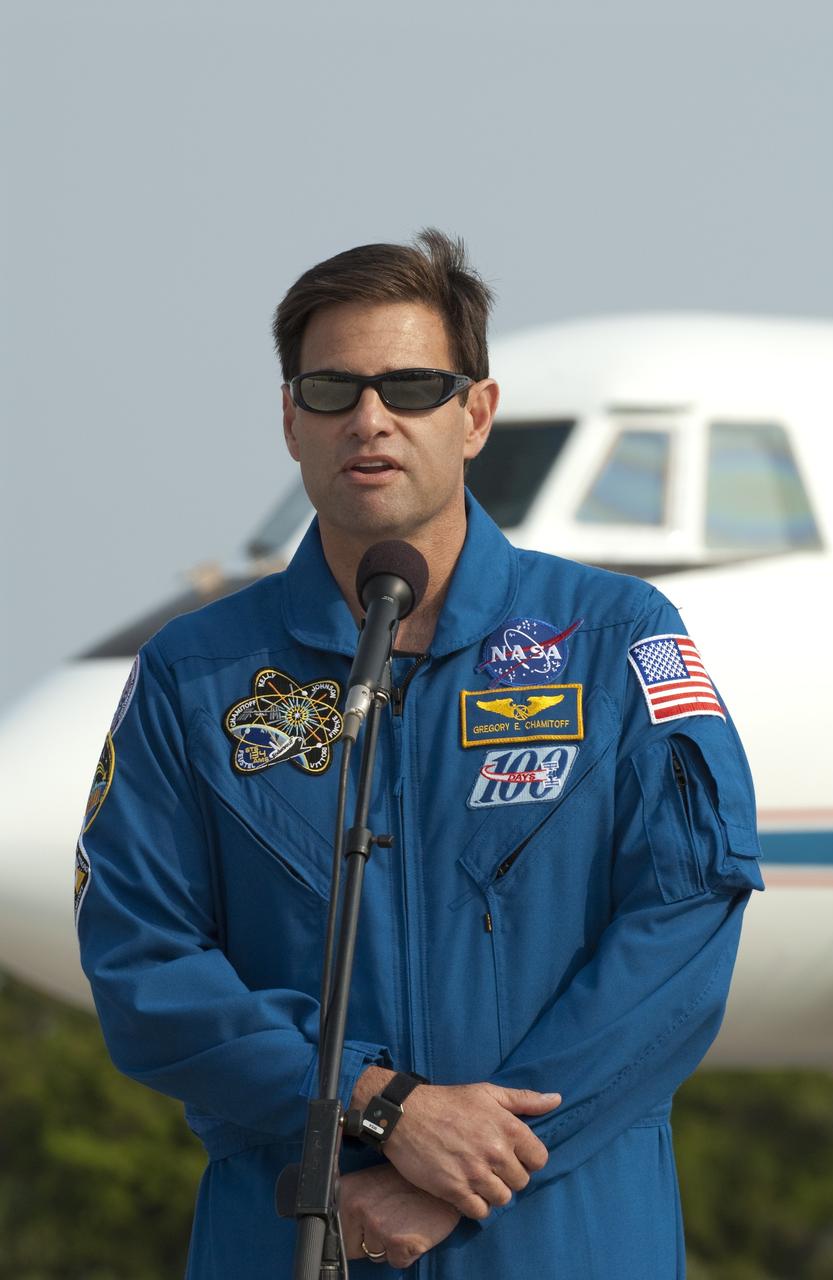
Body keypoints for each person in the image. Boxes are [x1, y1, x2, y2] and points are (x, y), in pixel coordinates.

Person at [76, 230, 764, 1278]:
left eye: (410, 386)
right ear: (290, 419)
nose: (370, 418)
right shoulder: (195, 674)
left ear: (475, 413)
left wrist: (466, 1167)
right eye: (332, 389)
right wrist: (378, 1104)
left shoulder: (617, 638)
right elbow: (142, 958)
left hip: (563, 1235)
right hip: (295, 1234)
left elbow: (683, 926)